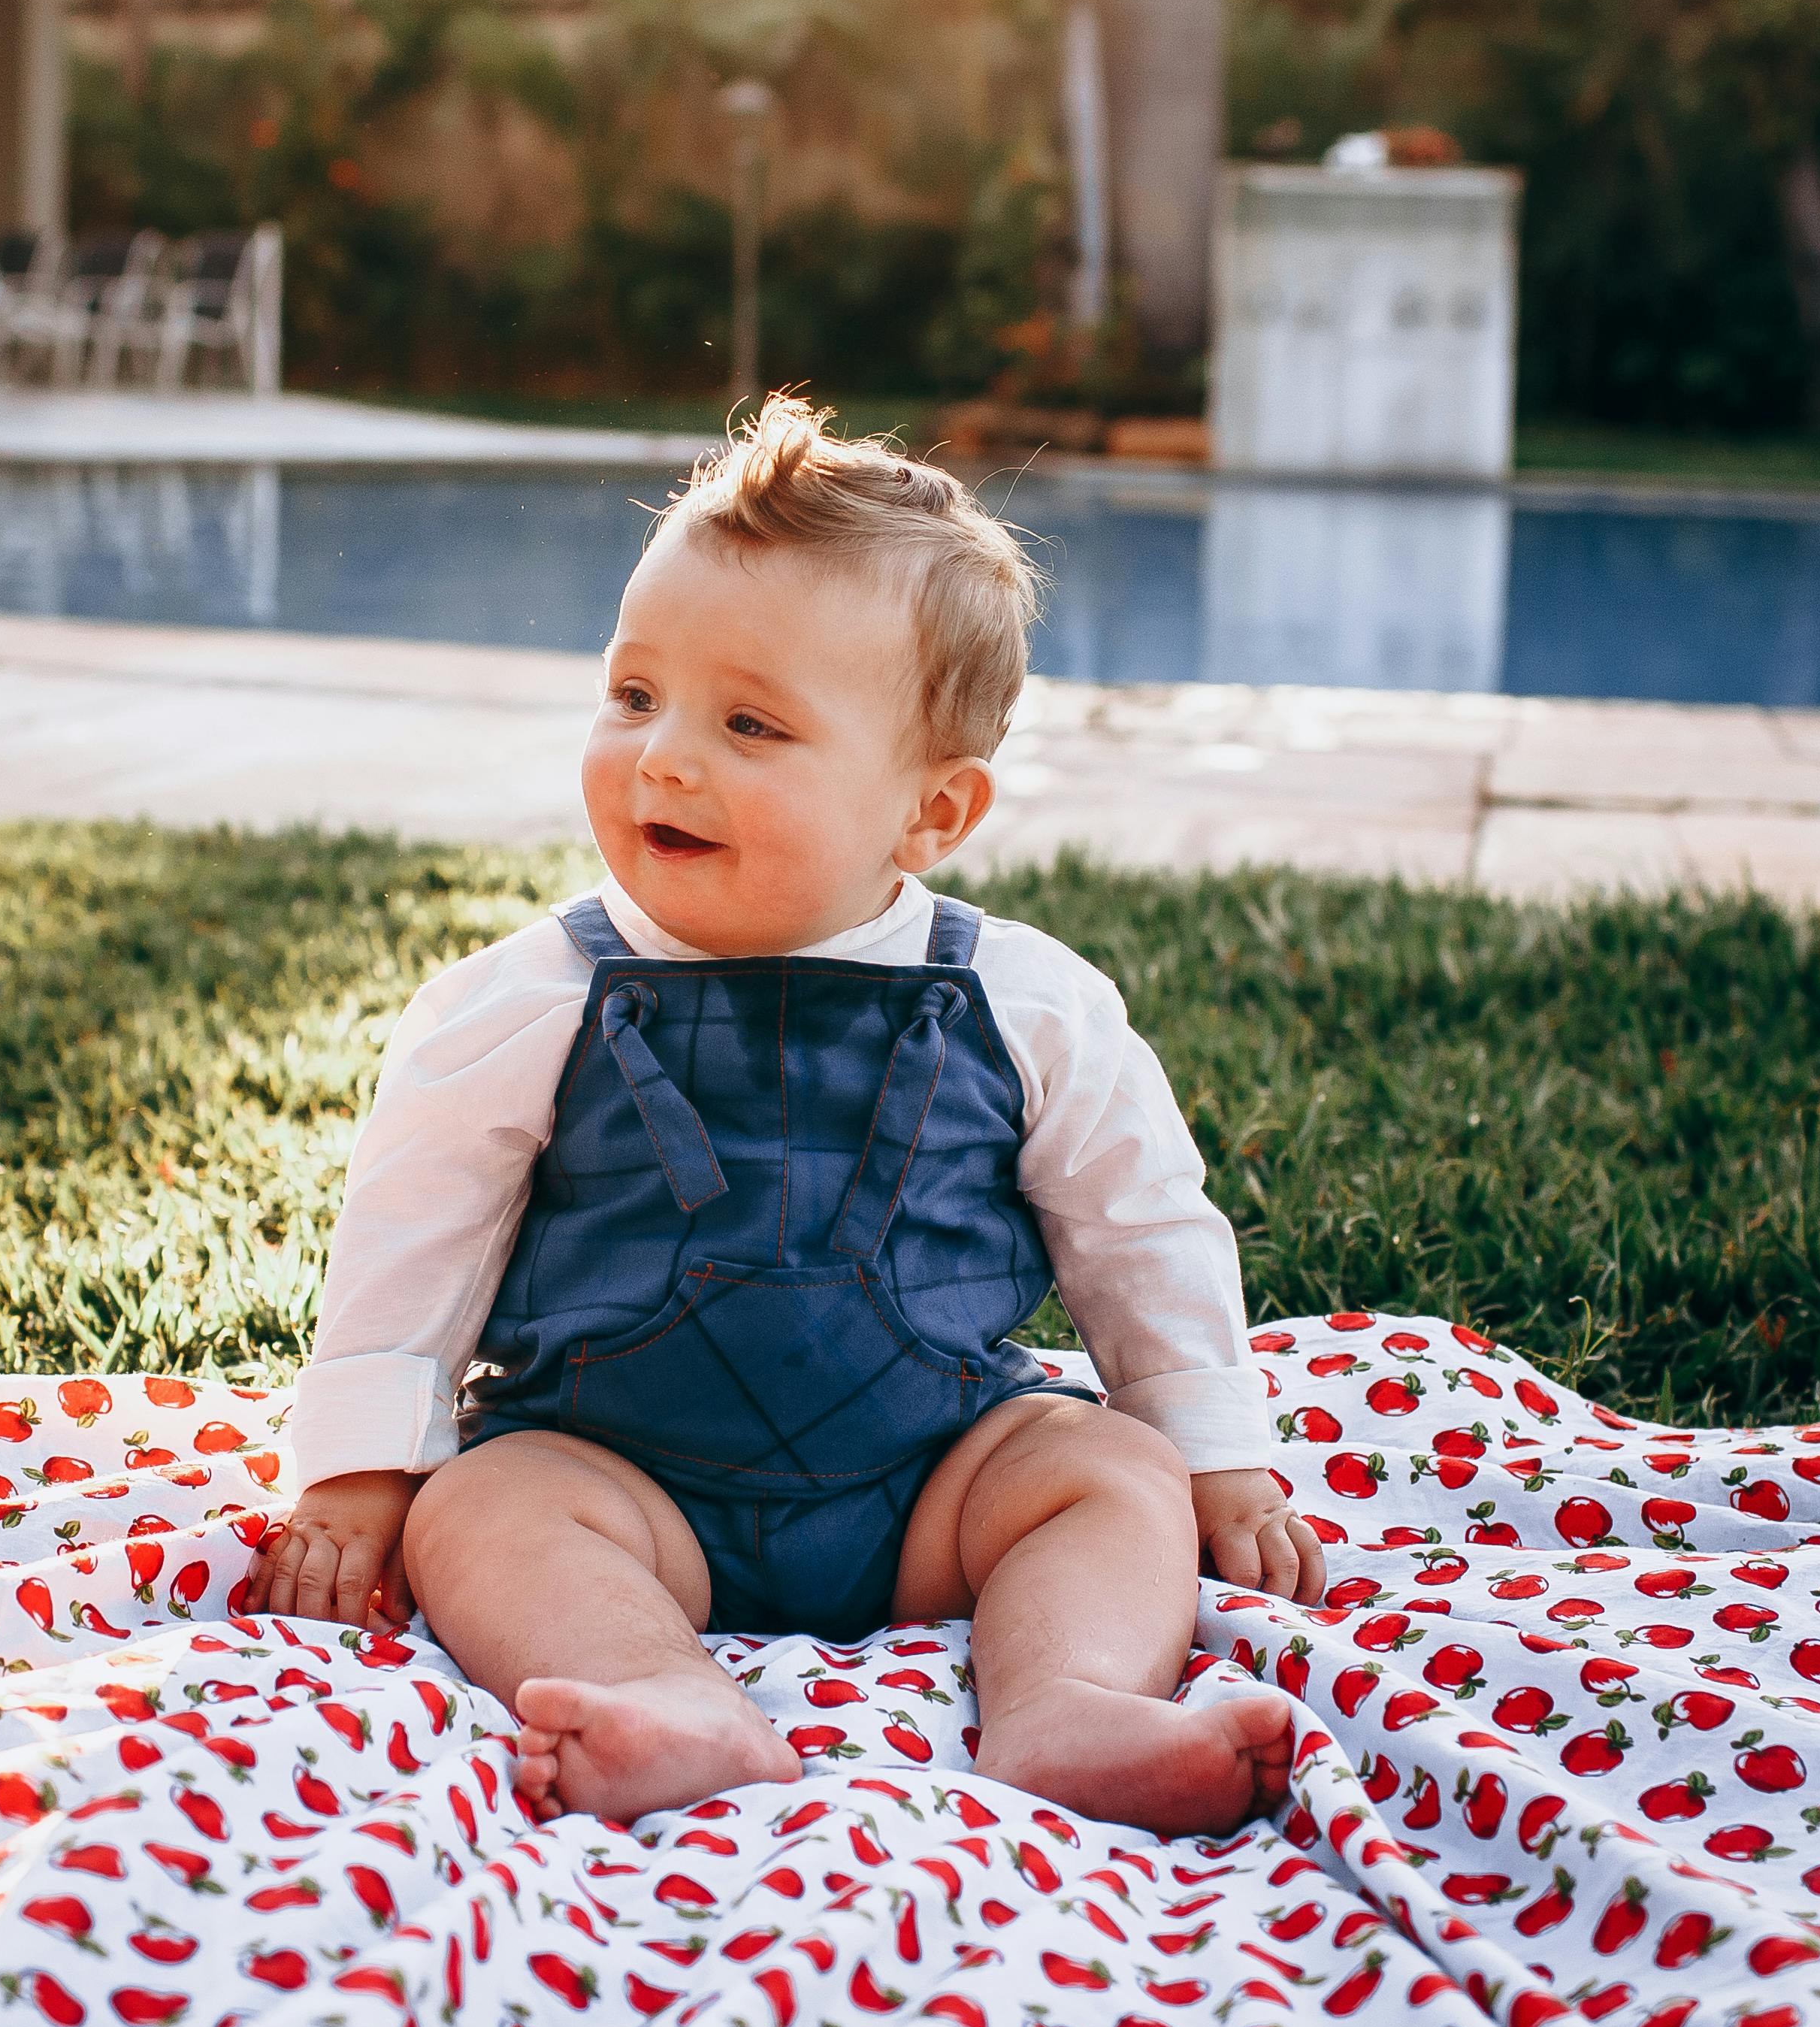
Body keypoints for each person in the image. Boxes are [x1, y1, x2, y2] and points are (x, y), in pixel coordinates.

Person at [249, 395, 1321, 1835]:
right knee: (477, 1513)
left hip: (937, 1479)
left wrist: (1211, 1448)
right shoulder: (532, 996)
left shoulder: (1027, 1000)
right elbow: (411, 1231)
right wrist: (365, 1468)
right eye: (636, 696)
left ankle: (1068, 1702)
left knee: (1108, 1473)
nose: (665, 758)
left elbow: (1140, 1230)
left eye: (750, 723)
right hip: (624, 1483)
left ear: (932, 816)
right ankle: (666, 1698)